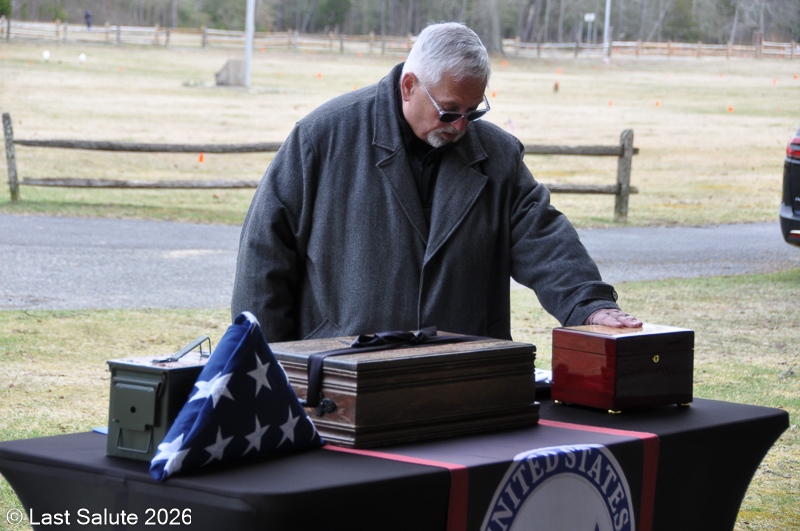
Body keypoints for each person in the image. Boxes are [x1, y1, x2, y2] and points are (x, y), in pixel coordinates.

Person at [231, 22, 641, 342]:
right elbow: (264, 258)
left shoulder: (499, 156)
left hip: (462, 373)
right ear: (409, 86)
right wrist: (267, 367)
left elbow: (544, 238)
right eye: (449, 111)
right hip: (340, 373)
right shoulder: (321, 138)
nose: (461, 126)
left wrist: (589, 305)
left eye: (473, 111)